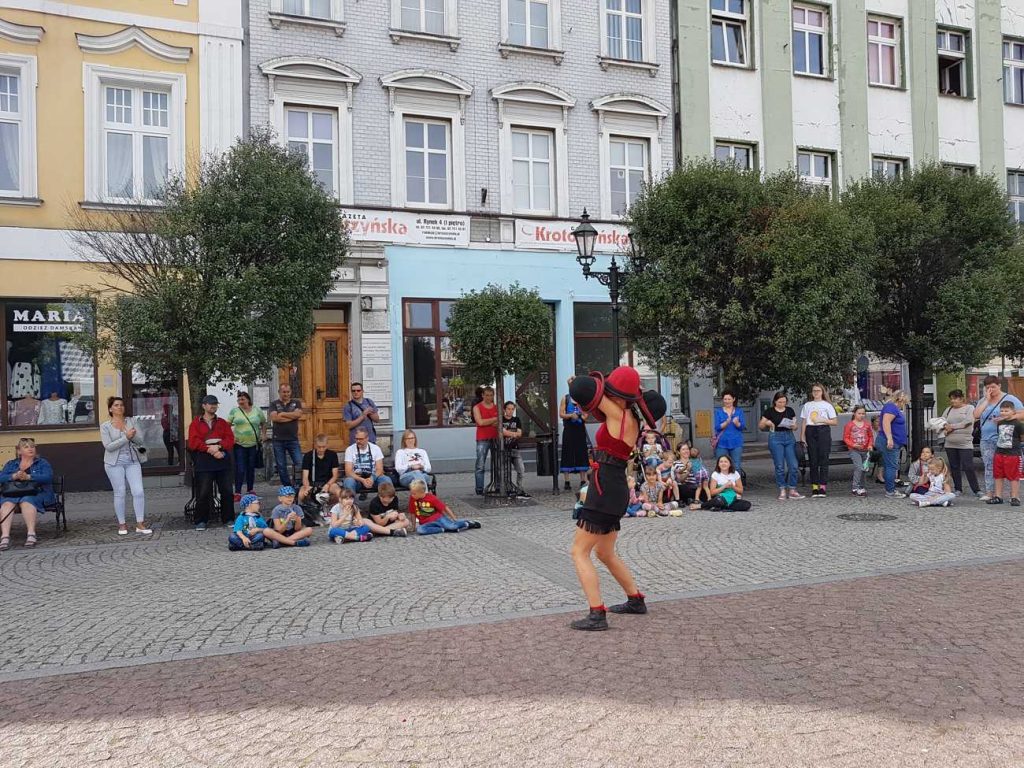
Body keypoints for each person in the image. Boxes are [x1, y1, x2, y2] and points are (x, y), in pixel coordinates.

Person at [566, 366, 666, 631]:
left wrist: (576, 383)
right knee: (605, 552)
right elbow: (591, 401)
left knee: (579, 551)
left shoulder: (618, 414)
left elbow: (585, 391)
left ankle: (596, 614)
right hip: (615, 485)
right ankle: (635, 599)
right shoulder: (629, 418)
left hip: (605, 487)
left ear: (618, 395)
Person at [100, 396, 151, 535]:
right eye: (116, 405)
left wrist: (131, 436)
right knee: (120, 492)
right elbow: (109, 447)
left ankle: (140, 524)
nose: (120, 407)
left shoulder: (131, 421)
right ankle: (122, 524)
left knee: (138, 491)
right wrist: (125, 437)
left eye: (121, 405)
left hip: (133, 460)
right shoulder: (105, 426)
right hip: (114, 463)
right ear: (110, 409)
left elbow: (140, 440)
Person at [187, 394, 235, 530]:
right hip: (204, 460)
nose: (213, 406)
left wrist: (219, 447)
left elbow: (230, 439)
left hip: (221, 459)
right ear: (204, 406)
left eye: (215, 404)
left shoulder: (223, 423)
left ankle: (229, 518)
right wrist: (209, 450)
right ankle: (201, 520)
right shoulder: (196, 423)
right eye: (210, 403)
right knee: (203, 492)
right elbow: (193, 442)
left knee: (226, 491)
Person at [974, 376, 1023, 501]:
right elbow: (976, 415)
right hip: (987, 438)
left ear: (999, 386)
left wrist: (1005, 418)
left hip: (1006, 438)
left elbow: (1022, 413)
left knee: (1009, 468)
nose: (991, 390)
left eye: (993, 387)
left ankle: (1012, 495)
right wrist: (987, 399)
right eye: (988, 388)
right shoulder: (984, 400)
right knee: (989, 465)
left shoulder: (1009, 398)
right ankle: (991, 493)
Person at [0, 437, 54, 551]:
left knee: (27, 500)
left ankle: (31, 534)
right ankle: (5, 536)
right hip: (13, 494)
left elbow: (48, 478)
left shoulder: (42, 463)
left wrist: (29, 477)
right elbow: (1, 478)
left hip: (38, 493)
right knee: (6, 503)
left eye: (32, 446)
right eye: (26, 447)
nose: (30, 449)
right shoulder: (11, 464)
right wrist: (13, 476)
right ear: (19, 451)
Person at [759, 392, 802, 501]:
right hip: (775, 437)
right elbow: (761, 425)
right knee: (779, 465)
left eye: (784, 402)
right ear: (775, 401)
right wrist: (768, 423)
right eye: (779, 402)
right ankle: (782, 489)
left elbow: (796, 426)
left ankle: (792, 489)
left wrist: (794, 425)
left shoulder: (789, 410)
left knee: (793, 465)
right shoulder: (770, 411)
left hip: (789, 436)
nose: (782, 404)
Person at [799, 383, 838, 498]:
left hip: (823, 430)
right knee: (813, 459)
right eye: (814, 391)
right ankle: (814, 486)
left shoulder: (827, 405)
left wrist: (823, 420)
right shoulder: (807, 405)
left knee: (823, 459)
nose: (816, 393)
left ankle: (823, 486)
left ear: (822, 392)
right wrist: (802, 436)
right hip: (811, 430)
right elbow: (805, 421)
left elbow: (835, 422)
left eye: (818, 390)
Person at [227, 391, 266, 502]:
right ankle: (238, 492)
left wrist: (263, 434)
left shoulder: (256, 410)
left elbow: (263, 423)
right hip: (239, 444)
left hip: (253, 444)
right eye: (239, 400)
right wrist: (231, 437)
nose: (240, 402)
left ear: (248, 400)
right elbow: (227, 425)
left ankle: (250, 490)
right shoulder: (234, 411)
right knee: (240, 468)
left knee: (250, 467)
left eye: (243, 399)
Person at [942, 389, 981, 497]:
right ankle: (958, 488)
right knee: (954, 466)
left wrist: (952, 427)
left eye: (955, 398)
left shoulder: (969, 408)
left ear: (961, 398)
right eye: (951, 399)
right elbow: (942, 422)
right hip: (950, 443)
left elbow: (967, 422)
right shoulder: (948, 410)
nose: (952, 401)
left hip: (965, 443)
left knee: (968, 466)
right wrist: (945, 428)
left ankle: (976, 489)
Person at [408, 478, 481, 534]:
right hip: (426, 523)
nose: (412, 495)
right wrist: (413, 527)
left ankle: (467, 523)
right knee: (420, 530)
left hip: (438, 519)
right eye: (411, 493)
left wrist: (454, 518)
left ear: (421, 492)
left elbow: (444, 508)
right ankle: (443, 529)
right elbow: (412, 513)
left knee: (452, 526)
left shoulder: (431, 498)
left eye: (414, 494)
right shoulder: (412, 499)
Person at [987, 400, 1024, 506]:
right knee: (998, 475)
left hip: (1013, 454)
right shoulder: (1000, 423)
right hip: (999, 452)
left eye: (1006, 411)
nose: (1003, 413)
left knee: (1013, 476)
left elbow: (1021, 438)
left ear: (1013, 411)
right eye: (1002, 411)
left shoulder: (1018, 424)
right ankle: (998, 496)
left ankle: (1015, 497)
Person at [876, 389, 911, 499]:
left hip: (894, 441)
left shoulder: (893, 408)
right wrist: (889, 439)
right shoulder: (891, 407)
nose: (905, 404)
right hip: (891, 441)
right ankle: (890, 491)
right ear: (901, 398)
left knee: (889, 466)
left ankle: (890, 489)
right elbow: (886, 423)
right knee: (891, 466)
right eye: (905, 401)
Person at [269, 383, 303, 487]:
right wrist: (291, 417)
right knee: (281, 466)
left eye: (288, 392)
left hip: (293, 439)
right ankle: (288, 487)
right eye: (284, 392)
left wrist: (283, 414)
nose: (286, 394)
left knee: (299, 462)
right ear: (279, 392)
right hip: (278, 440)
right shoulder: (274, 404)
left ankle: (298, 484)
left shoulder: (296, 402)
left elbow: (298, 414)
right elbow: (274, 418)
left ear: (291, 392)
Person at [559, 379, 590, 491]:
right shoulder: (565, 398)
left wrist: (581, 416)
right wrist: (571, 415)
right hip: (569, 430)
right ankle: (567, 481)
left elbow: (587, 415)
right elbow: (561, 414)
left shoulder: (582, 399)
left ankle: (583, 479)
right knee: (567, 452)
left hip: (580, 430)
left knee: (582, 452)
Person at [342, 427, 386, 498]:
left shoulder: (376, 448)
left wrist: (372, 478)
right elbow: (348, 472)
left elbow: (380, 469)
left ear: (367, 438)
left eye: (361, 439)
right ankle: (351, 507)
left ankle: (385, 505)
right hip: (357, 479)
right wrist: (362, 480)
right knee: (348, 482)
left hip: (373, 478)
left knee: (386, 480)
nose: (358, 441)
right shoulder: (350, 450)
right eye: (356, 439)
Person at [299, 434, 341, 506]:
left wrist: (327, 485)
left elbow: (335, 475)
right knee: (301, 494)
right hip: (312, 483)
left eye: (323, 447)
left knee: (338, 493)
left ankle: (330, 509)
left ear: (327, 445)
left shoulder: (333, 455)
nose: (321, 449)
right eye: (319, 447)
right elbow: (305, 477)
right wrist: (307, 487)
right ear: (315, 445)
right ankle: (305, 512)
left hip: (328, 482)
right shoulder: (308, 456)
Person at [472, 386, 499, 495]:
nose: (489, 397)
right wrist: (494, 420)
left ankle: (497, 486)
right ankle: (479, 489)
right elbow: (480, 422)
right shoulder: (477, 407)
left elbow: (499, 422)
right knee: (480, 465)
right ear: (483, 395)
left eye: (491, 395)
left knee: (497, 463)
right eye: (487, 395)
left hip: (495, 437)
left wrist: (487, 421)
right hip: (482, 438)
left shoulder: (497, 407)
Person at [842, 405, 873, 497]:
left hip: (865, 450)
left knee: (864, 469)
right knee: (858, 467)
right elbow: (846, 438)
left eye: (863, 413)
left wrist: (870, 445)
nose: (861, 415)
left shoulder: (867, 425)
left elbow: (870, 436)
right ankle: (855, 487)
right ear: (854, 413)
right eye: (859, 413)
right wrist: (853, 444)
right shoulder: (850, 425)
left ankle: (862, 487)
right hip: (854, 450)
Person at [713, 390, 746, 469]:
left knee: (736, 466)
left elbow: (742, 426)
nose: (727, 401)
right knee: (721, 466)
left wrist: (737, 424)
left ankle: (736, 481)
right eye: (725, 399)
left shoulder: (739, 411)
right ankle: (722, 481)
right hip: (722, 443)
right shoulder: (718, 411)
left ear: (733, 399)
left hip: (736, 443)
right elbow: (717, 427)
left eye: (729, 399)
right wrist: (726, 423)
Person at [501, 401, 528, 495]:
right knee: (506, 470)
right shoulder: (501, 420)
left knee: (521, 469)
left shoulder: (516, 420)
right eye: (508, 409)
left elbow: (520, 433)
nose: (510, 411)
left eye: (512, 409)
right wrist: (513, 434)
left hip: (515, 448)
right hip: (504, 448)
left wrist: (509, 433)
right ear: (504, 409)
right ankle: (506, 488)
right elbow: (502, 432)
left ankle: (519, 488)